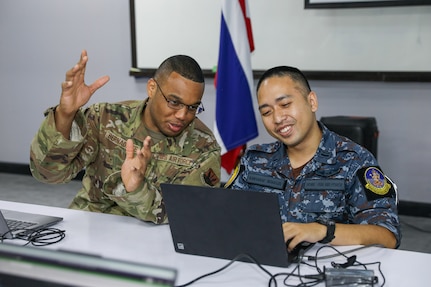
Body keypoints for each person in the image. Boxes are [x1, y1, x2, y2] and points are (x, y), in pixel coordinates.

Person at [30, 50, 221, 224]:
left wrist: (136, 189)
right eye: (174, 102)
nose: (182, 115)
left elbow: (191, 214)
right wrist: (65, 115)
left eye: (193, 107)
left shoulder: (203, 147)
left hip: (153, 242)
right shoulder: (105, 118)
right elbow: (47, 174)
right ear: (152, 88)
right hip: (90, 224)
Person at [226, 66, 400, 250]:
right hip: (262, 265)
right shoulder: (254, 161)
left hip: (324, 271)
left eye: (285, 105)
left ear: (312, 102)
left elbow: (387, 236)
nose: (277, 118)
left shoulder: (354, 161)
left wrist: (323, 231)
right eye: (267, 112)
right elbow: (224, 217)